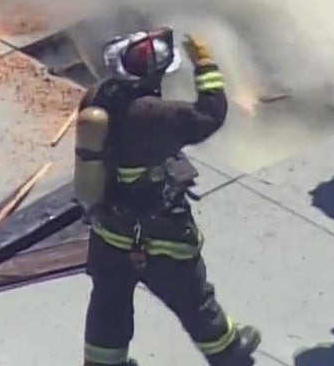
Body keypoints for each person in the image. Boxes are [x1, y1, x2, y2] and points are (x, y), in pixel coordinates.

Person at [78, 28, 262, 366]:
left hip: (108, 228)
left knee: (108, 301)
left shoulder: (96, 99)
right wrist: (205, 66)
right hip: (160, 232)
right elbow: (210, 114)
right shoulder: (152, 114)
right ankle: (229, 352)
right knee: (193, 298)